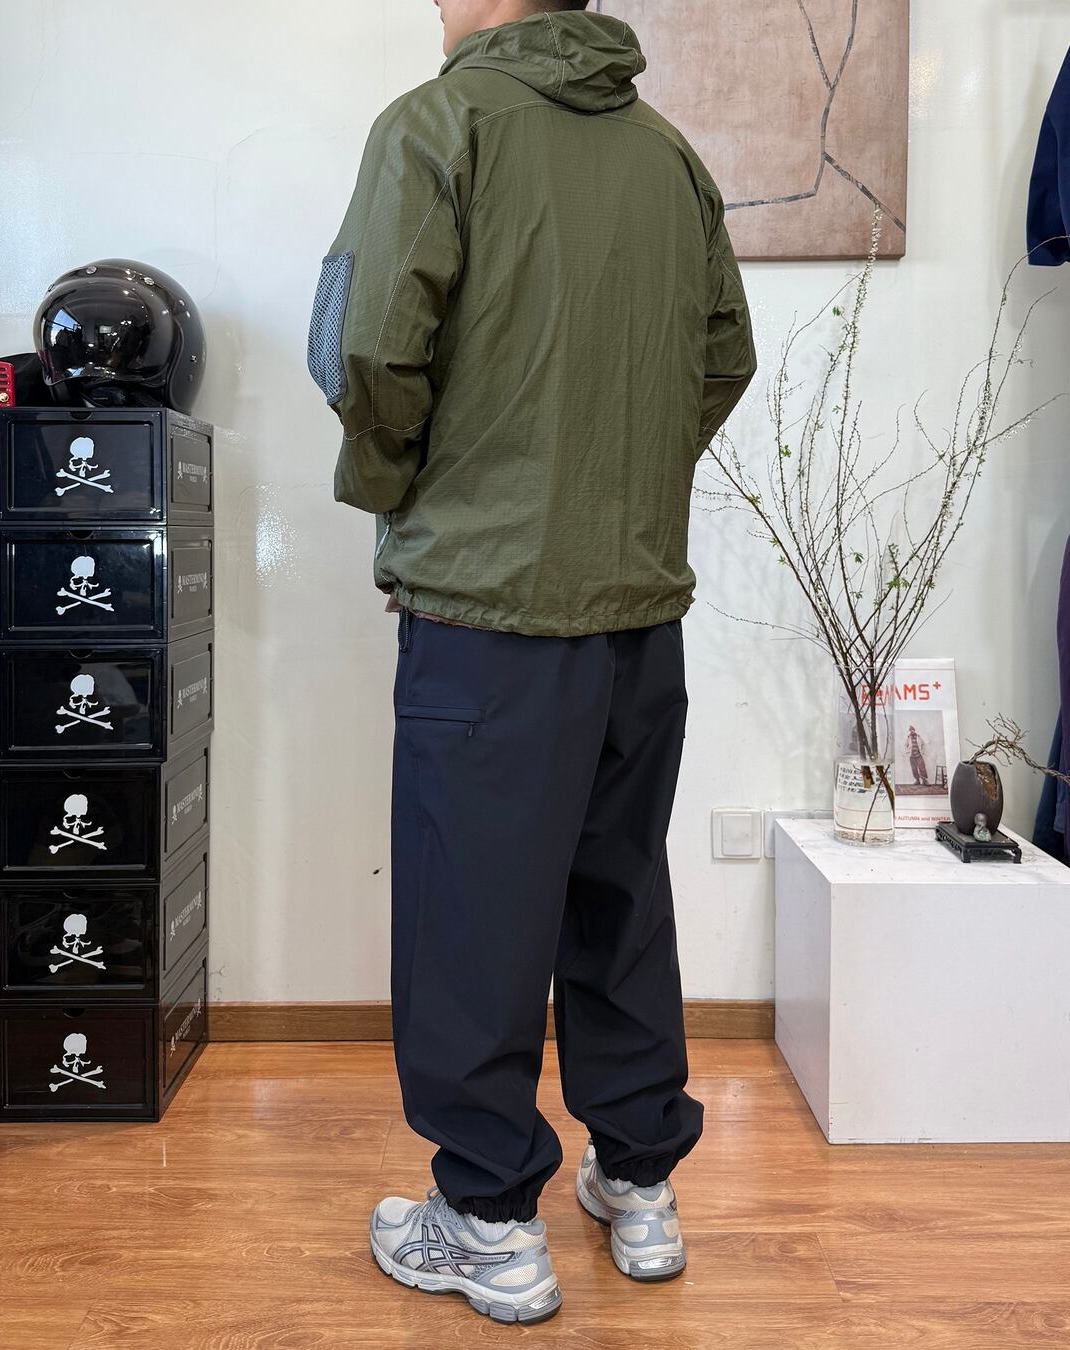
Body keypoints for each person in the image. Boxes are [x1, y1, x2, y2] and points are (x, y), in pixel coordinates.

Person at [307, 0, 755, 1325]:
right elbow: (721, 356)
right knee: (618, 892)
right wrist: (619, 488)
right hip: (637, 606)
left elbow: (367, 346)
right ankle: (640, 1179)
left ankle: (491, 1219)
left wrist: (406, 489)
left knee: (471, 912)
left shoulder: (439, 126)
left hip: (487, 608)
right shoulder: (669, 155)